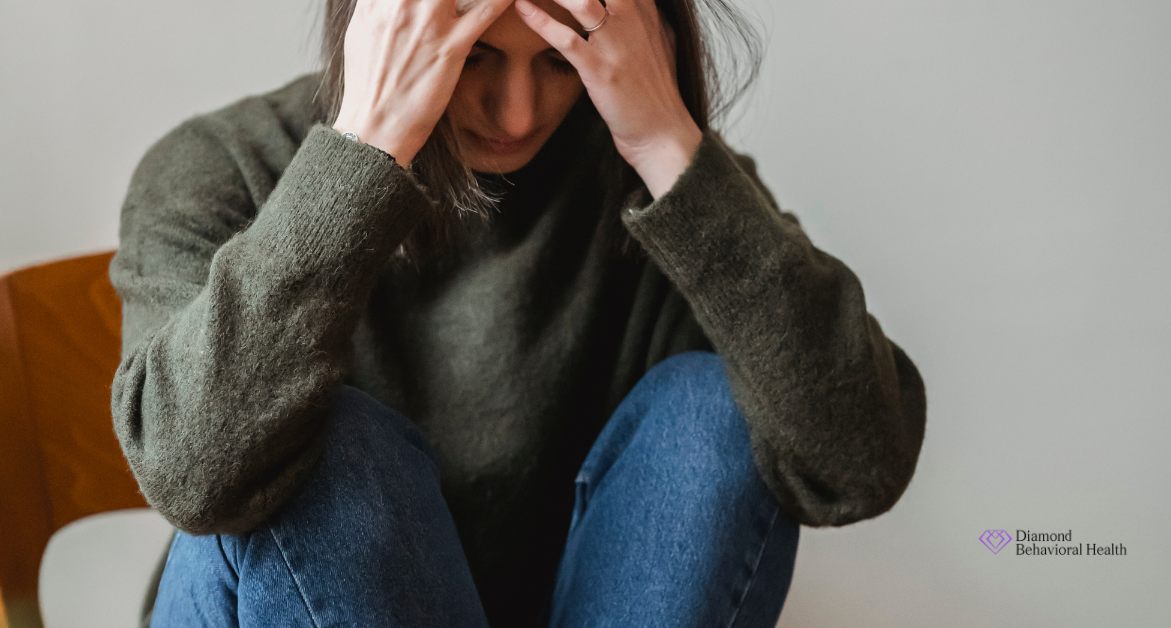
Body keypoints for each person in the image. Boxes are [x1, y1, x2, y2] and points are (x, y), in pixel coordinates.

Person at [109, 0, 928, 625]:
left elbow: (859, 467)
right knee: (327, 447)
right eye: (474, 55)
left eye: (562, 60)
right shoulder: (223, 165)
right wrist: (366, 150)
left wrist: (669, 148)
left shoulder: (658, 190)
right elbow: (194, 475)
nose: (518, 114)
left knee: (716, 410)